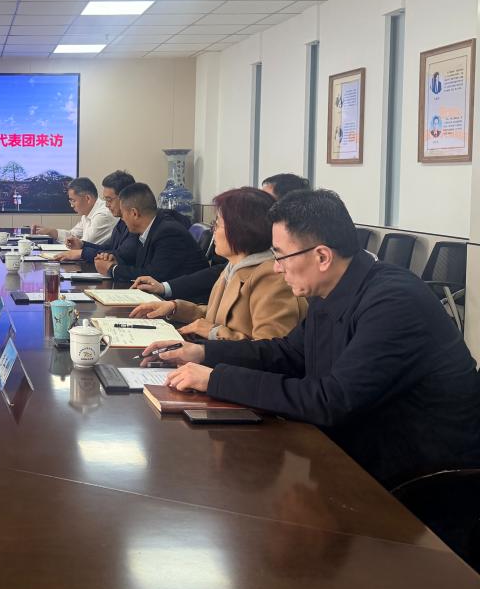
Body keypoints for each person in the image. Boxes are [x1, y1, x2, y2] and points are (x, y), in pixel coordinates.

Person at [146, 189, 480, 488]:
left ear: (322, 256)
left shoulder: (394, 302)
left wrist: (216, 380)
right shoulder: (331, 288)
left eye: (281, 256)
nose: (277, 268)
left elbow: (331, 401)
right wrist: (203, 353)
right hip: (357, 453)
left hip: (422, 480)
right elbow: (288, 353)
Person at [129, 187, 306, 340]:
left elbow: (270, 350)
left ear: (240, 230)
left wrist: (215, 332)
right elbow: (219, 315)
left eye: (218, 224)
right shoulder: (233, 267)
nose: (213, 230)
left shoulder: (272, 278)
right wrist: (175, 307)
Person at [135, 172, 311, 303]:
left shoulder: (275, 273)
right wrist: (175, 306)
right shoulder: (235, 263)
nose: (258, 206)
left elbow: (267, 340)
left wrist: (213, 331)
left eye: (265, 201)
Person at [96, 182, 206, 284]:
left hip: (185, 296)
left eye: (123, 213)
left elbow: (154, 276)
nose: (123, 219)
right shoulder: (148, 229)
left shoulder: (168, 232)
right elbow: (139, 265)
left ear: (134, 213)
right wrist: (116, 261)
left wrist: (112, 269)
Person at [57, 170, 139, 265]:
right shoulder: (121, 221)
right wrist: (82, 245)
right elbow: (109, 249)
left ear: (125, 199)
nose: (107, 205)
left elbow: (120, 256)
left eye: (109, 200)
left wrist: (82, 253)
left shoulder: (134, 225)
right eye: (105, 200)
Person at [31, 177, 117, 246]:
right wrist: (49, 231)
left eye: (73, 201)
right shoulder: (88, 213)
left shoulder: (102, 215)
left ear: (88, 198)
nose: (72, 205)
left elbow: (82, 245)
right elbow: (73, 235)